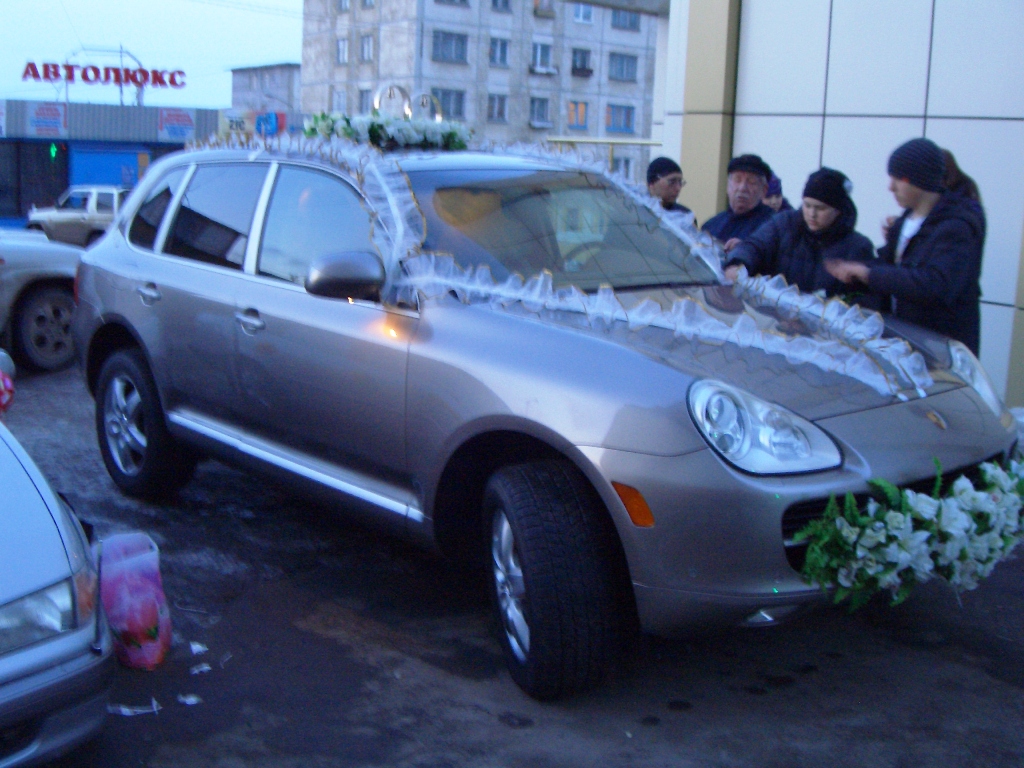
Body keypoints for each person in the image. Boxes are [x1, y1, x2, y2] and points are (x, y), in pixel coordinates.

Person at [826, 137, 984, 353]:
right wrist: (854, 271)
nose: (890, 187)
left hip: (940, 349)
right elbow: (891, 269)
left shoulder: (957, 226)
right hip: (905, 341)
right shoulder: (905, 221)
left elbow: (935, 285)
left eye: (898, 179)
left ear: (920, 180)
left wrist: (868, 274)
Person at [723, 168, 874, 298]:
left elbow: (862, 300)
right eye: (807, 205)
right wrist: (738, 263)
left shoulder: (857, 247)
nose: (812, 214)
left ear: (838, 210)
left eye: (820, 208)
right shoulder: (784, 224)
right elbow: (756, 245)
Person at [701, 154, 775, 252]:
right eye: (737, 180)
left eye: (751, 182)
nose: (742, 188)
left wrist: (747, 250)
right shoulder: (711, 225)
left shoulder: (773, 227)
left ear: (764, 190)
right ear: (728, 186)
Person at [646, 157, 696, 226]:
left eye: (680, 182)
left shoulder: (684, 216)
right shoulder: (638, 211)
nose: (678, 188)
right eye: (672, 182)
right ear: (652, 183)